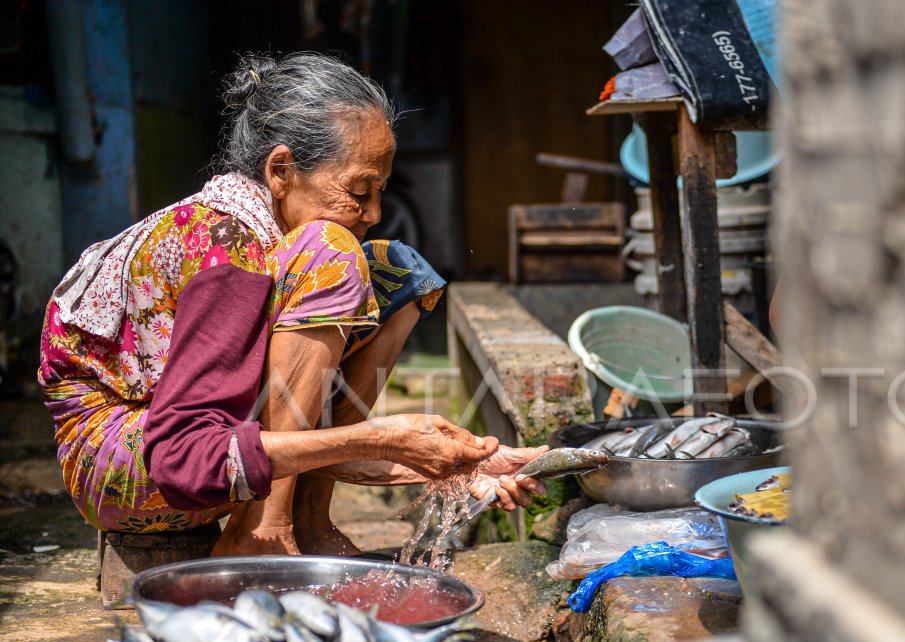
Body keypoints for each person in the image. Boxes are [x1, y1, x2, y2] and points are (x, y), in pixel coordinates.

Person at [39, 52, 542, 558]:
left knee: (398, 272)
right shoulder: (221, 245)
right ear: (281, 171)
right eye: (359, 191)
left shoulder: (276, 244)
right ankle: (260, 531)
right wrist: (376, 440)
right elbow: (184, 458)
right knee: (335, 254)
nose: (374, 212)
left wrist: (455, 463)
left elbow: (289, 430)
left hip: (217, 446)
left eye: (380, 191)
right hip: (126, 462)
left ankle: (306, 519)